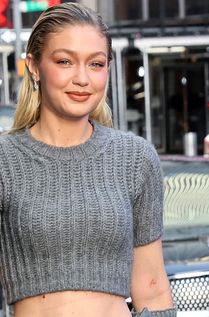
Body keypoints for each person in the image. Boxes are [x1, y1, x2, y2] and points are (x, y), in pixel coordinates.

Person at [0, 3, 176, 317]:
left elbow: (152, 286)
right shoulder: (5, 161)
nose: (82, 79)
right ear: (34, 66)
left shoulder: (135, 158)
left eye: (95, 64)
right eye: (65, 61)